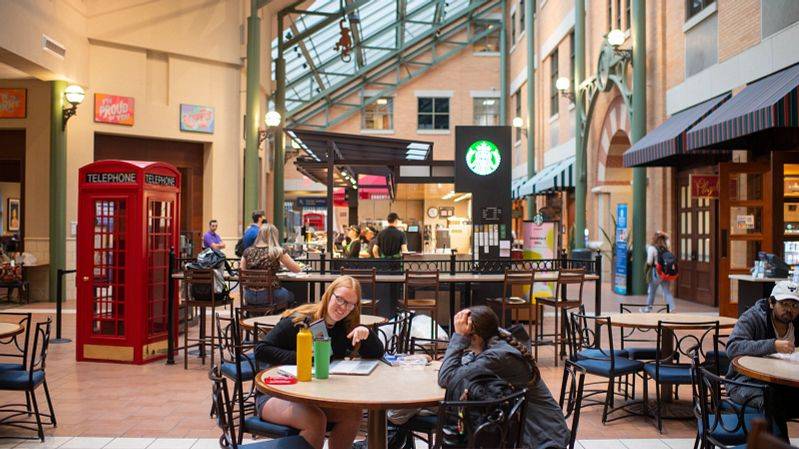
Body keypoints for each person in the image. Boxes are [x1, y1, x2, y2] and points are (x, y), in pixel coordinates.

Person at [254, 276, 385, 449]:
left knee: (353, 414)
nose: (343, 307)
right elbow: (261, 349)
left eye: (350, 304)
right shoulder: (300, 320)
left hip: (315, 396)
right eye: (340, 299)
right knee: (316, 421)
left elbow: (376, 353)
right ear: (329, 295)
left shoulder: (344, 326)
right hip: (279, 394)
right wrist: (303, 359)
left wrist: (366, 333)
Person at [438, 306, 570, 449]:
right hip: (527, 427)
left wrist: (459, 338)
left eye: (463, 334)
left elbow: (447, 378)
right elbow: (466, 365)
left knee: (460, 424)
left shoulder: (499, 356)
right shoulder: (496, 342)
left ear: (475, 337)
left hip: (542, 435)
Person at [726, 280, 799, 440]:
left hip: (784, 382)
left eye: (794, 306)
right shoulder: (753, 317)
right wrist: (772, 345)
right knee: (772, 399)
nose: (789, 310)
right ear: (772, 303)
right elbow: (733, 347)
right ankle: (780, 445)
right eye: (784, 304)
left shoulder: (796, 323)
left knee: (778, 399)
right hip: (744, 382)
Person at [241, 224, 301, 308]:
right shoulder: (276, 251)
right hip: (269, 295)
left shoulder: (247, 252)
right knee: (291, 295)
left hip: (249, 296)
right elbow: (297, 269)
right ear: (274, 236)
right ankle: (280, 318)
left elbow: (242, 273)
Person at [641, 231, 675, 312]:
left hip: (655, 272)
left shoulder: (651, 248)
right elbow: (668, 239)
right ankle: (671, 307)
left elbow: (649, 262)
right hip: (666, 272)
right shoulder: (666, 247)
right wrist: (663, 234)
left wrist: (645, 270)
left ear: (654, 239)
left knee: (652, 291)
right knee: (666, 291)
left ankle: (648, 309)